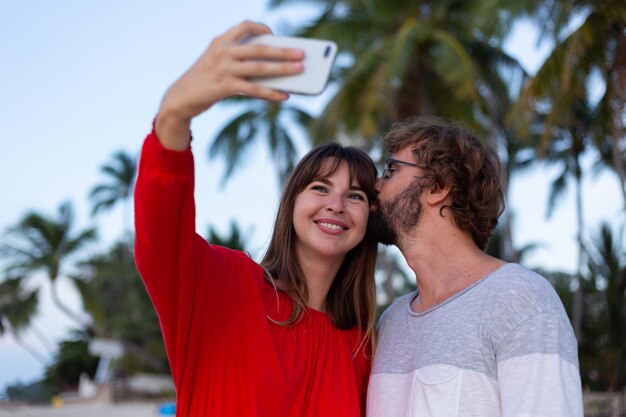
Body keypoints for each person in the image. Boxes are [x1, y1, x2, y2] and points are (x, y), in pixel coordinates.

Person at [134, 21, 378, 417]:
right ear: (290, 203)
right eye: (319, 188)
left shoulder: (362, 345)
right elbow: (160, 234)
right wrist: (175, 113)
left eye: (355, 195)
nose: (336, 204)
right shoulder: (227, 286)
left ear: (369, 218)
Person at [366, 117, 584, 417]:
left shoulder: (520, 300)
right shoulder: (390, 322)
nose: (376, 185)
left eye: (391, 170)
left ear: (438, 187)